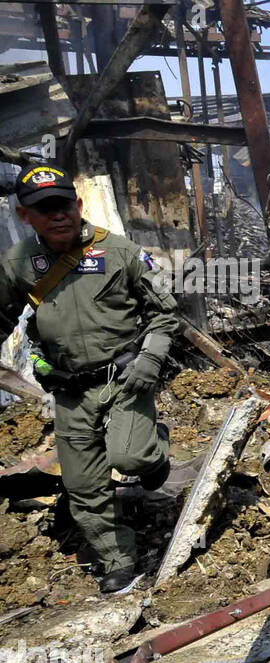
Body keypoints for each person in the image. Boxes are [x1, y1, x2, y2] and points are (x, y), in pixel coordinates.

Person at [0, 162, 179, 593]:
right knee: (82, 485)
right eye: (44, 209)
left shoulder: (119, 252)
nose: (57, 215)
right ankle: (119, 558)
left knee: (131, 459)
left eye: (63, 205)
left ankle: (153, 452)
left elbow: (163, 311)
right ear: (25, 216)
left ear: (78, 205)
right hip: (68, 388)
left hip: (125, 379)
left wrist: (150, 361)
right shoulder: (20, 262)